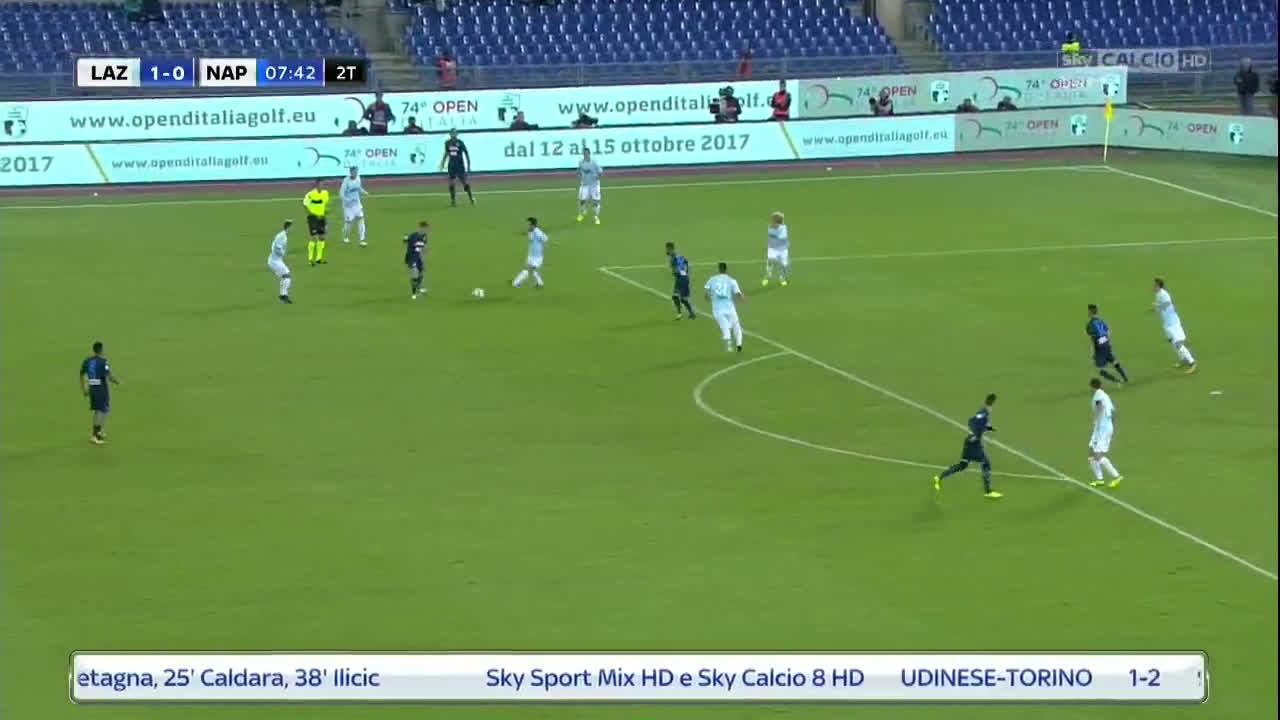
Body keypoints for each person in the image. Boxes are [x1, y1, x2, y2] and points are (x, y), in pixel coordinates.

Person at [933, 394, 1002, 499]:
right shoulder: (984, 414)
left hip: (968, 442)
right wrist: (976, 435)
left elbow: (972, 421)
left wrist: (988, 429)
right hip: (974, 443)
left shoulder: (981, 412)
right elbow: (976, 424)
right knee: (986, 463)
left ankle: (940, 477)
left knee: (963, 465)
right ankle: (988, 491)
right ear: (993, 403)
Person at [79, 341, 121, 445]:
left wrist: (84, 389)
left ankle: (99, 431)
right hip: (101, 389)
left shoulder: (87, 361)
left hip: (92, 388)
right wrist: (116, 381)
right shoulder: (103, 362)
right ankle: (94, 436)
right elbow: (108, 376)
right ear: (101, 350)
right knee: (101, 411)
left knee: (102, 410)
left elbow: (81, 374)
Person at [1152, 278, 1197, 373]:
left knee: (1178, 343)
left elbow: (1168, 303)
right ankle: (1183, 359)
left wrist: (1158, 306)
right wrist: (1157, 308)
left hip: (1173, 323)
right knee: (1172, 341)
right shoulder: (1158, 294)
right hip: (1167, 323)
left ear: (1159, 286)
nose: (1153, 286)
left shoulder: (1163, 294)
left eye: (1155, 285)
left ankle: (1192, 363)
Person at [1087, 378, 1123, 489]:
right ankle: (1100, 479)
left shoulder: (1098, 395)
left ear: (1092, 387)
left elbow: (1099, 408)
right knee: (1091, 453)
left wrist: (1100, 426)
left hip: (1101, 428)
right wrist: (1111, 425)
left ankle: (1116, 476)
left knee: (1098, 455)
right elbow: (1113, 411)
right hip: (1104, 427)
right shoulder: (1105, 395)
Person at [704, 262, 744, 353]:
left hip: (717, 308)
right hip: (729, 307)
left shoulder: (712, 279)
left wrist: (707, 297)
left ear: (719, 269)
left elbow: (706, 291)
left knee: (725, 327)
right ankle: (739, 344)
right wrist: (743, 299)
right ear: (726, 269)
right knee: (736, 325)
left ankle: (728, 346)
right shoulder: (732, 280)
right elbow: (738, 293)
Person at [1086, 304, 1128, 384]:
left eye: (1088, 311)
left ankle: (1117, 381)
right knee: (1114, 361)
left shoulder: (1090, 325)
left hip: (1099, 347)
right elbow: (1108, 332)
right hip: (1106, 343)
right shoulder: (1101, 321)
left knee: (1099, 369)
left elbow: (1092, 339)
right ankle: (1124, 377)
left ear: (1090, 312)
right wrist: (1106, 342)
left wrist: (1093, 353)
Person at [440, 129, 474, 206]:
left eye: (455, 133)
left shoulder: (460, 143)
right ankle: (453, 200)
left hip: (460, 165)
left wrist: (468, 165)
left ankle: (471, 197)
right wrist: (442, 163)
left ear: (457, 134)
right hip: (451, 165)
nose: (453, 135)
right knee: (451, 182)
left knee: (464, 182)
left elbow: (466, 153)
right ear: (450, 134)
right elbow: (446, 153)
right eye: (452, 133)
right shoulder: (447, 143)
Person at [513, 217, 547, 289]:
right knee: (531, 270)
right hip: (531, 255)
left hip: (537, 257)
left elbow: (545, 239)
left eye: (529, 224)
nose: (528, 226)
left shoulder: (538, 233)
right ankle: (540, 283)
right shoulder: (530, 231)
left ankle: (517, 283)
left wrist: (542, 248)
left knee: (528, 270)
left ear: (533, 225)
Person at [339, 166, 369, 246]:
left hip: (357, 204)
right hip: (348, 206)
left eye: (356, 172)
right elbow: (341, 193)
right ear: (351, 172)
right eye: (354, 172)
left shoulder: (358, 178)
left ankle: (362, 239)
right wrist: (347, 200)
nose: (356, 173)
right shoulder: (346, 181)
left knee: (361, 219)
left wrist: (364, 192)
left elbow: (359, 188)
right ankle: (345, 236)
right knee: (349, 222)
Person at [665, 242, 696, 320]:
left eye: (667, 249)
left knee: (679, 298)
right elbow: (686, 263)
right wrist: (685, 272)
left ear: (670, 249)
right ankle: (687, 313)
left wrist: (677, 272)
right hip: (682, 278)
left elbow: (678, 268)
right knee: (678, 297)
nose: (666, 251)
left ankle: (685, 313)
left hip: (681, 278)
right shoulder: (678, 256)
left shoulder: (674, 258)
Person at [303, 180, 330, 265]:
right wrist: (312, 214)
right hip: (313, 218)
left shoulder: (325, 194)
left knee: (321, 237)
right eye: (321, 185)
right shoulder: (310, 194)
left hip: (321, 218)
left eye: (323, 184)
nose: (322, 186)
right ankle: (310, 259)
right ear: (316, 185)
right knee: (313, 237)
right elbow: (305, 205)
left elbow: (324, 205)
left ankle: (319, 258)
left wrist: (325, 215)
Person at [267, 220, 294, 304]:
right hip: (274, 261)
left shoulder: (282, 235)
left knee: (285, 277)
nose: (292, 229)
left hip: (277, 260)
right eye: (291, 227)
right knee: (287, 277)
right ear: (288, 227)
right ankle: (283, 296)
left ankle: (283, 295)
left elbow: (273, 245)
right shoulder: (282, 236)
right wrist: (283, 254)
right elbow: (277, 248)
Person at [762, 211, 790, 287]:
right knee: (770, 260)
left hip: (783, 249)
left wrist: (777, 236)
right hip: (773, 248)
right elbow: (777, 235)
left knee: (784, 265)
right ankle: (767, 276)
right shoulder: (770, 227)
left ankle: (782, 278)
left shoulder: (784, 228)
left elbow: (783, 237)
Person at [576, 149, 602, 225]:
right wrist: (580, 175)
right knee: (582, 200)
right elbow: (578, 171)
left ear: (589, 154)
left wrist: (597, 177)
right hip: (584, 184)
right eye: (584, 154)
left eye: (586, 154)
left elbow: (600, 171)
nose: (585, 155)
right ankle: (582, 212)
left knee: (596, 201)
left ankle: (596, 217)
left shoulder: (594, 162)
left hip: (594, 185)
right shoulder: (581, 162)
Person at [404, 221, 429, 299]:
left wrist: (423, 258)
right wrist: (406, 239)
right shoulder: (413, 235)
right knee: (415, 273)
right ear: (420, 228)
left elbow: (423, 247)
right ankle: (414, 294)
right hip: (411, 258)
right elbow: (405, 239)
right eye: (425, 228)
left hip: (418, 257)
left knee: (421, 272)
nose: (426, 230)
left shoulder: (424, 236)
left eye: (426, 229)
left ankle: (419, 288)